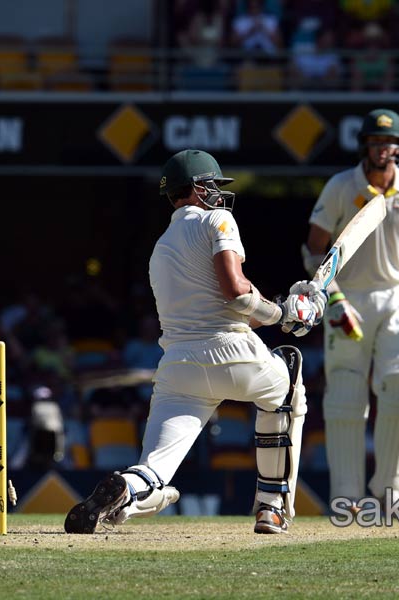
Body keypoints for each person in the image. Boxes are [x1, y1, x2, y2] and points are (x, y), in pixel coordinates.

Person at [64, 149, 326, 535]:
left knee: (154, 467)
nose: (219, 195)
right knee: (288, 377)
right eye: (214, 187)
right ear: (198, 189)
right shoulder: (218, 219)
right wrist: (287, 316)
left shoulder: (160, 249)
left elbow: (229, 302)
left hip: (178, 367)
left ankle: (127, 488)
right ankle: (271, 507)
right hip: (234, 355)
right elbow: (236, 295)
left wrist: (284, 310)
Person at [302, 108, 399, 514]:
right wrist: (332, 297)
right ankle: (348, 495)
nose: (383, 149)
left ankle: (393, 492)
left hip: (397, 297)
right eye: (376, 142)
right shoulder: (339, 186)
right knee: (347, 394)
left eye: (390, 143)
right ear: (364, 146)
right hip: (348, 296)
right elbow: (314, 249)